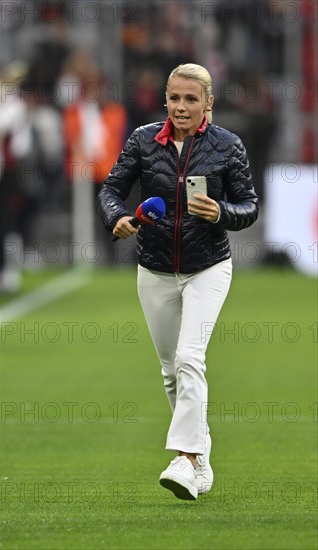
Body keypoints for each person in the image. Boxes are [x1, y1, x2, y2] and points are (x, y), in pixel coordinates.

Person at [98, 63, 258, 500]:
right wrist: (119, 218)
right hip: (153, 268)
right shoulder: (143, 141)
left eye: (191, 99)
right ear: (164, 100)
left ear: (209, 102)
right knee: (170, 372)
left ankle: (185, 459)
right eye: (174, 98)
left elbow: (248, 206)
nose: (181, 107)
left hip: (208, 267)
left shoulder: (228, 146)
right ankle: (202, 460)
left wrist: (221, 212)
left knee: (190, 357)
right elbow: (111, 190)